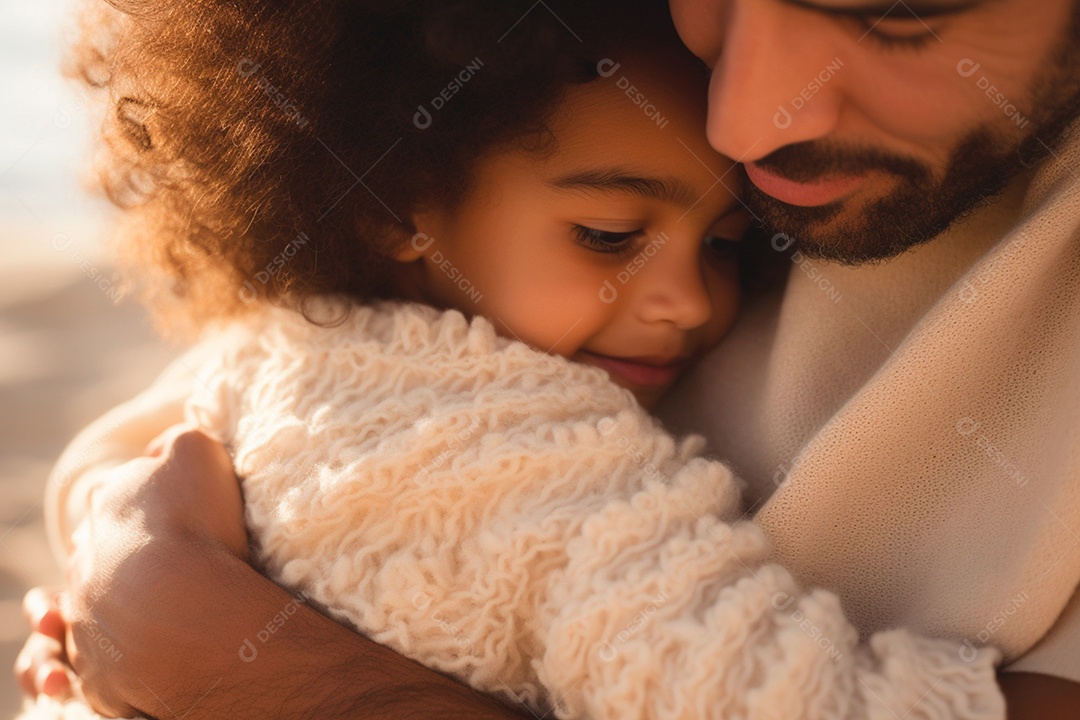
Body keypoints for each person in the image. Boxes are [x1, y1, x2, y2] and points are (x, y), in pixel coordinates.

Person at [17, 0, 1080, 717]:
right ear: (398, 203)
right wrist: (125, 576)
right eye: (612, 237)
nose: (746, 120)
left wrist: (259, 666)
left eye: (894, 7)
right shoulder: (487, 419)